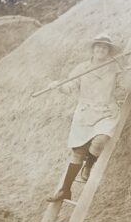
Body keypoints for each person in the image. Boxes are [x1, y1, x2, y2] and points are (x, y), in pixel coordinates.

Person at [47, 33, 125, 202]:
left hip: (106, 111)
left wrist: (123, 74)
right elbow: (70, 87)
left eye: (104, 47)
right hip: (85, 113)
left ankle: (88, 166)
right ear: (93, 49)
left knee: (100, 140)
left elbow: (123, 86)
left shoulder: (114, 67)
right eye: (98, 46)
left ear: (109, 51)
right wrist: (58, 86)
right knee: (78, 152)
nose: (101, 50)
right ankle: (65, 190)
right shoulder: (81, 68)